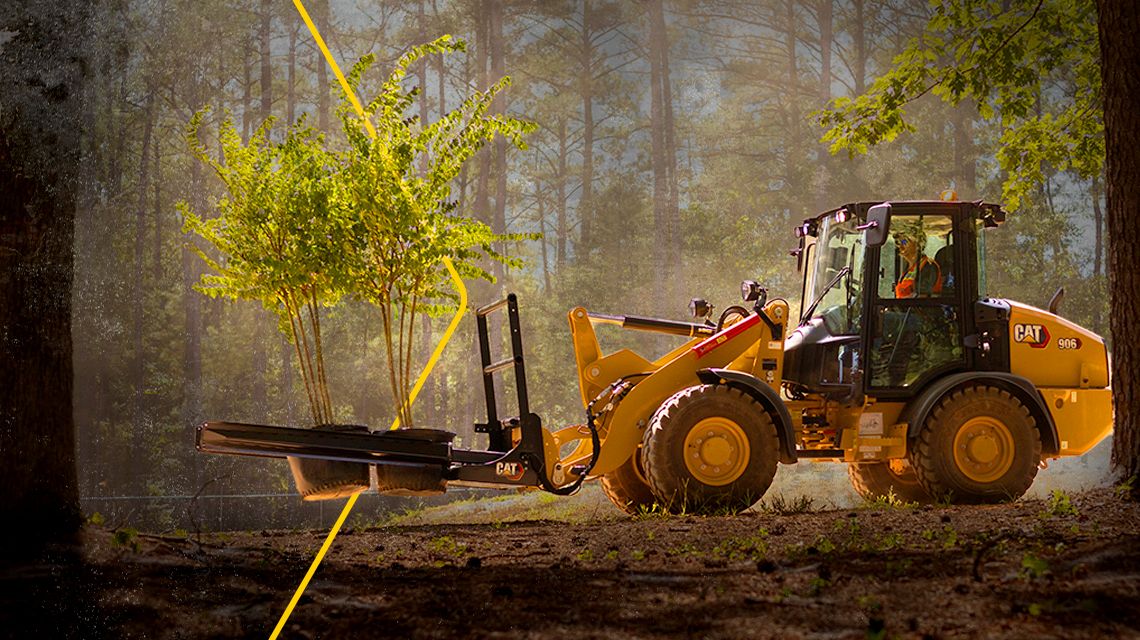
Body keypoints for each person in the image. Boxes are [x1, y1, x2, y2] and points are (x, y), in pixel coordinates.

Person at [892, 221, 942, 298]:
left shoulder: (928, 266)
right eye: (898, 243)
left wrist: (898, 304)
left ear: (918, 244)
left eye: (904, 241)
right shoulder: (908, 269)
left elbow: (921, 298)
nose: (900, 246)